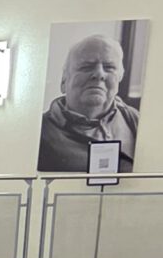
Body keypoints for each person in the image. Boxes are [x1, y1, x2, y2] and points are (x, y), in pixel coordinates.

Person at [37, 31, 138, 172]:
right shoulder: (39, 132)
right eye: (87, 67)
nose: (99, 74)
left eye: (109, 67)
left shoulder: (134, 120)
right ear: (64, 80)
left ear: (119, 78)